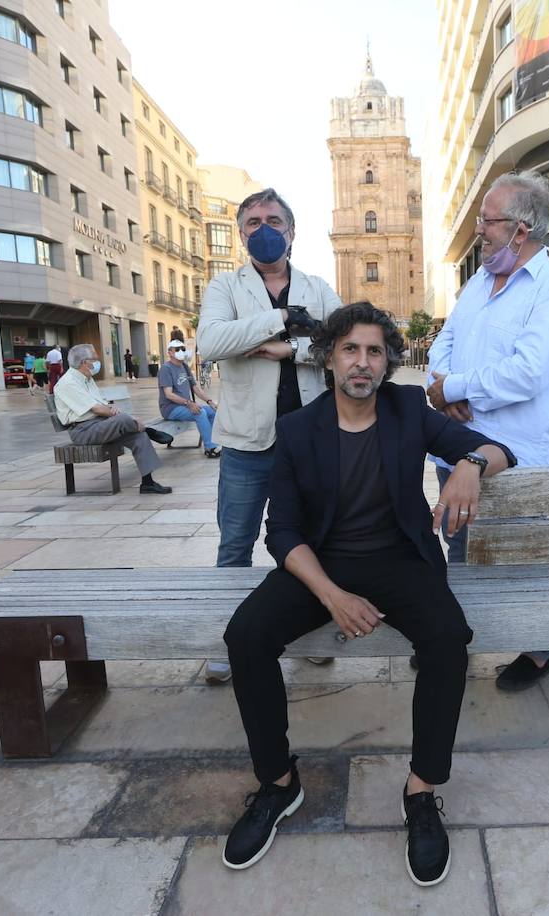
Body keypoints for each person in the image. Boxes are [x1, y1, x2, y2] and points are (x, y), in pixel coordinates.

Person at [220, 303, 515, 885]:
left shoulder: (407, 409)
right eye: (350, 349)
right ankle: (278, 784)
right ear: (329, 357)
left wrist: (471, 464)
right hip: (323, 564)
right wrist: (332, 597)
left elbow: (500, 449)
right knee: (246, 635)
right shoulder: (300, 428)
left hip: (401, 560)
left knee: (449, 638)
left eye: (374, 351)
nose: (362, 362)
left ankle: (422, 790)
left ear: (388, 362)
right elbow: (280, 531)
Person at [426, 170, 549, 692]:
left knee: (524, 558)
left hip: (519, 457)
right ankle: (454, 639)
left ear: (520, 228)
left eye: (487, 221)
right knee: (461, 548)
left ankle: (539, 652)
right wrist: (442, 388)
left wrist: (457, 388)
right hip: (457, 448)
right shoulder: (476, 281)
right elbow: (441, 344)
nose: (478, 230)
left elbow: (529, 371)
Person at [196, 187, 344, 684]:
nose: (264, 230)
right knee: (235, 545)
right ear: (241, 234)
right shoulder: (225, 287)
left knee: (312, 544)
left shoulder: (319, 286)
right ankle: (229, 640)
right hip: (246, 443)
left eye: (274, 221)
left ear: (292, 231)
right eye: (253, 222)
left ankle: (310, 636)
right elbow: (213, 341)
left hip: (311, 444)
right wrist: (282, 319)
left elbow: (344, 345)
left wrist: (288, 350)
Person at [52, 343, 175, 493]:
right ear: (85, 362)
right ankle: (147, 429)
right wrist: (116, 414)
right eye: (95, 359)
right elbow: (97, 408)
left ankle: (147, 483)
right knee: (123, 419)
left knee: (139, 436)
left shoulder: (87, 378)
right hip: (83, 431)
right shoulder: (68, 383)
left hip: (101, 425)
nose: (98, 362)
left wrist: (112, 411)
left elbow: (103, 404)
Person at [159, 339, 221, 458]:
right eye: (177, 349)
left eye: (183, 349)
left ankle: (215, 443)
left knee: (212, 411)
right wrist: (189, 403)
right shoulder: (166, 369)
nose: (181, 351)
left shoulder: (185, 367)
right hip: (170, 408)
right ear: (170, 353)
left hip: (184, 406)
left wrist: (210, 402)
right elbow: (168, 394)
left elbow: (195, 388)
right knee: (200, 412)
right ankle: (210, 447)